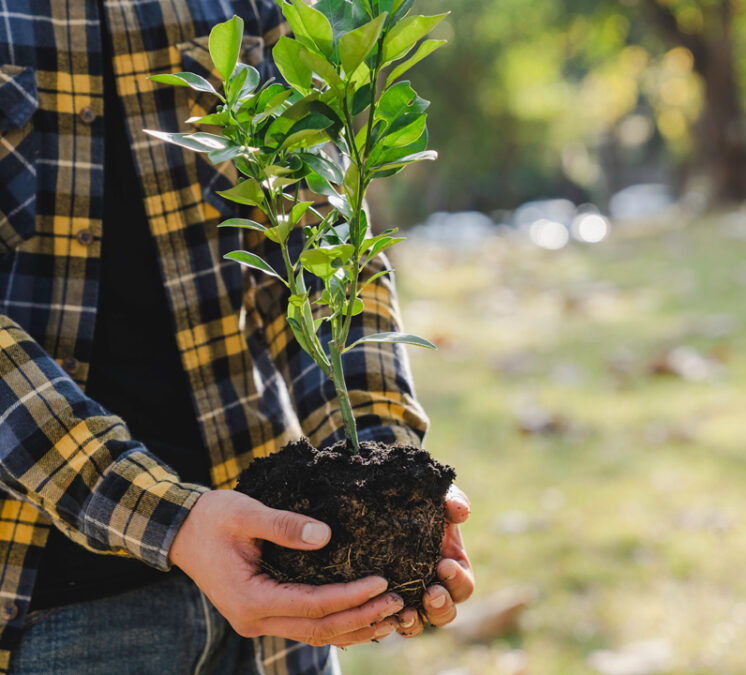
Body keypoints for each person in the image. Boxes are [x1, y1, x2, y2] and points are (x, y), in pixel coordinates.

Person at [0, 0, 473, 672]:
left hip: (284, 579)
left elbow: (329, 241)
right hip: (52, 600)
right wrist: (176, 520)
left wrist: (388, 472)